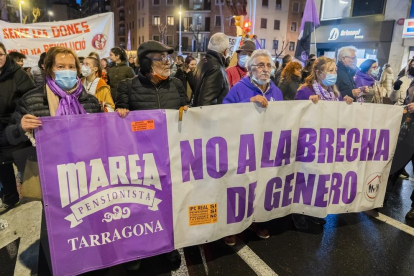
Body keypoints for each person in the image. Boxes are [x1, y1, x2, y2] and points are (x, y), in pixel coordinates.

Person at [115, 40, 188, 270]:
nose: (167, 62)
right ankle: (136, 250)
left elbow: (187, 112)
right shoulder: (127, 87)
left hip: (170, 158)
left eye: (168, 58)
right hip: (140, 159)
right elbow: (117, 123)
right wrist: (120, 112)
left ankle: (168, 246)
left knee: (168, 205)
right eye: (160, 58)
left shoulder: (176, 84)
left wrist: (187, 113)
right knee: (139, 207)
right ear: (147, 62)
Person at [223, 49, 281, 245]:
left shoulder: (277, 91)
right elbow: (224, 113)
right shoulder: (239, 89)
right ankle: (232, 228)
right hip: (242, 148)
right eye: (260, 65)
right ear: (250, 69)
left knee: (261, 185)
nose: (265, 69)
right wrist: (248, 103)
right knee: (239, 186)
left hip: (265, 149)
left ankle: (258, 221)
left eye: (268, 65)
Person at [294, 56, 353, 230]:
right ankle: (299, 214)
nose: (334, 73)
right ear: (318, 72)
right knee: (306, 179)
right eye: (330, 70)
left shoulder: (335, 94)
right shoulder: (305, 91)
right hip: (309, 145)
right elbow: (295, 116)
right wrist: (307, 104)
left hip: (327, 145)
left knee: (321, 179)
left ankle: (314, 211)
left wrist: (346, 104)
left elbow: (339, 118)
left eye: (335, 70)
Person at [0, 43, 35, 211]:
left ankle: (33, 202)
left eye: (0, 54)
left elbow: (31, 100)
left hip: (17, 131)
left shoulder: (19, 75)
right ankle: (9, 199)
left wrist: (19, 122)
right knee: (3, 169)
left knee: (27, 172)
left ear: (6, 55)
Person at [192, 32, 230, 107]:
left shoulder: (203, 62)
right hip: (211, 116)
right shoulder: (216, 69)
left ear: (208, 47)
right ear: (226, 51)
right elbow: (207, 104)